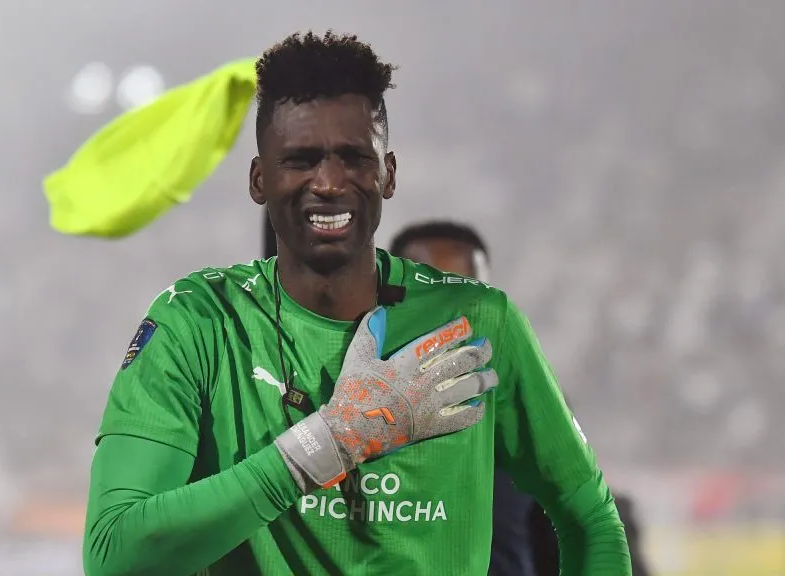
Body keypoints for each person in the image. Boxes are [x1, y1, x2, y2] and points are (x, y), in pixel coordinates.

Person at [83, 30, 631, 576]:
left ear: (387, 173)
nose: (327, 182)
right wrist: (326, 444)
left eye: (353, 158)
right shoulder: (197, 323)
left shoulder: (480, 322)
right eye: (300, 160)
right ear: (258, 179)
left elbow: (591, 521)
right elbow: (114, 556)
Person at [389, 221, 537, 576]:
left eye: (466, 293)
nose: (448, 314)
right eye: (427, 292)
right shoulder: (353, 401)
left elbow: (574, 519)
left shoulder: (527, 399)